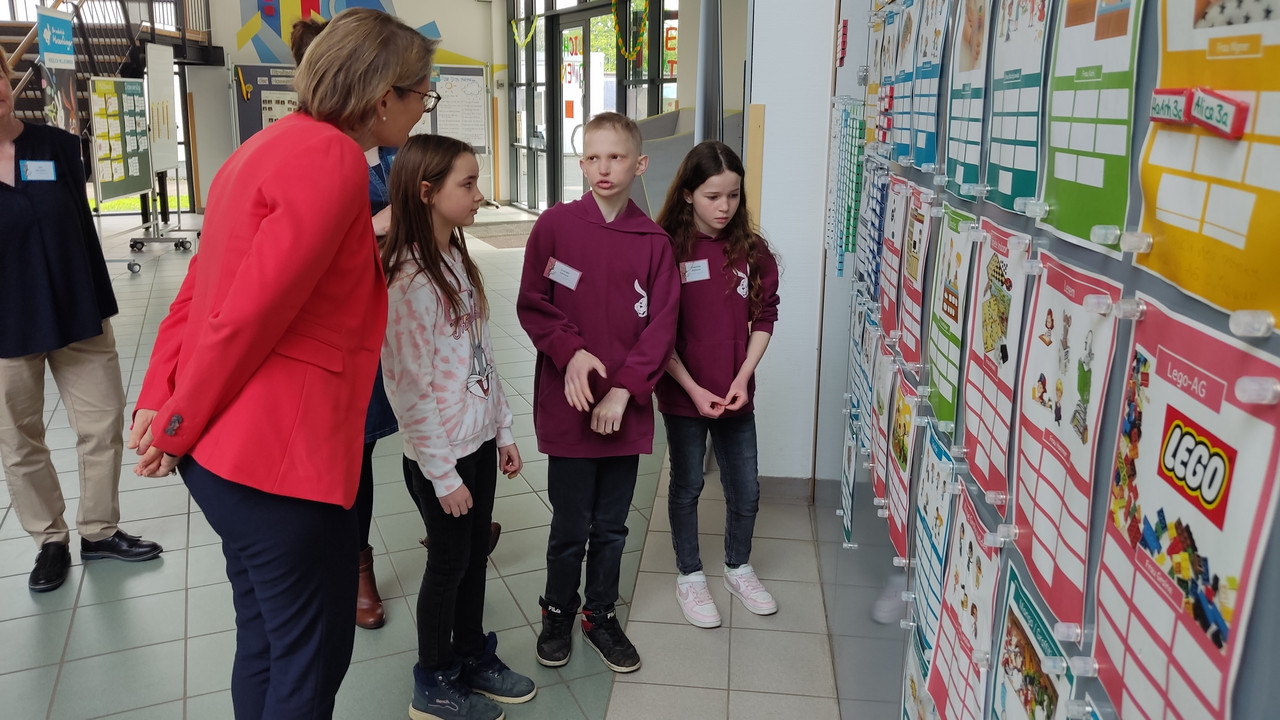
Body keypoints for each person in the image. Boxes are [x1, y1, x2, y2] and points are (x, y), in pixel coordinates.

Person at [128, 9, 437, 718]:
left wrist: (160, 397)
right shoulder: (331, 158)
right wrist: (172, 420)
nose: (423, 109)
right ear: (383, 95)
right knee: (310, 659)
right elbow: (248, 317)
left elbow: (202, 287)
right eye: (423, 93)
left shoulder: (263, 148)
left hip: (231, 459)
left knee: (266, 642)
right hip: (277, 464)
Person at [517, 112, 679, 673]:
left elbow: (661, 328)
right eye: (592, 157)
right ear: (580, 162)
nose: (602, 168)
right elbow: (532, 304)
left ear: (640, 164)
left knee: (611, 524)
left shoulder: (654, 243)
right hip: (570, 406)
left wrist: (626, 392)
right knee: (568, 525)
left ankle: (600, 615)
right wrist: (570, 351)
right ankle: (558, 611)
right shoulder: (555, 228)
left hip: (622, 413)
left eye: (615, 157)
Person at [381, 134, 535, 720]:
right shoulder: (406, 280)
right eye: (467, 184)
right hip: (438, 458)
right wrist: (443, 475)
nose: (479, 195)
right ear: (427, 193)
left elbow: (481, 354)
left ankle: (470, 655)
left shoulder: (453, 257)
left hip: (474, 443)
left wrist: (505, 428)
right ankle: (434, 678)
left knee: (473, 558)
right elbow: (409, 389)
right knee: (447, 568)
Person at [0, 46, 162, 594]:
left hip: (76, 311)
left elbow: (82, 232)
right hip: (7, 327)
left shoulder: (56, 147)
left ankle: (98, 530)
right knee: (20, 440)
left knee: (102, 425)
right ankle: (50, 540)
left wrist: (99, 302)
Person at [652, 140, 781, 628]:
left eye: (732, 195)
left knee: (745, 490)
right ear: (687, 194)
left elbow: (765, 316)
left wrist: (743, 378)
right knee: (686, 486)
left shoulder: (750, 250)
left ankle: (737, 567)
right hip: (684, 393)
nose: (724, 207)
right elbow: (653, 332)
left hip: (735, 394)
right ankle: (689, 575)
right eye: (712, 196)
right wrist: (690, 387)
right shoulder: (664, 247)